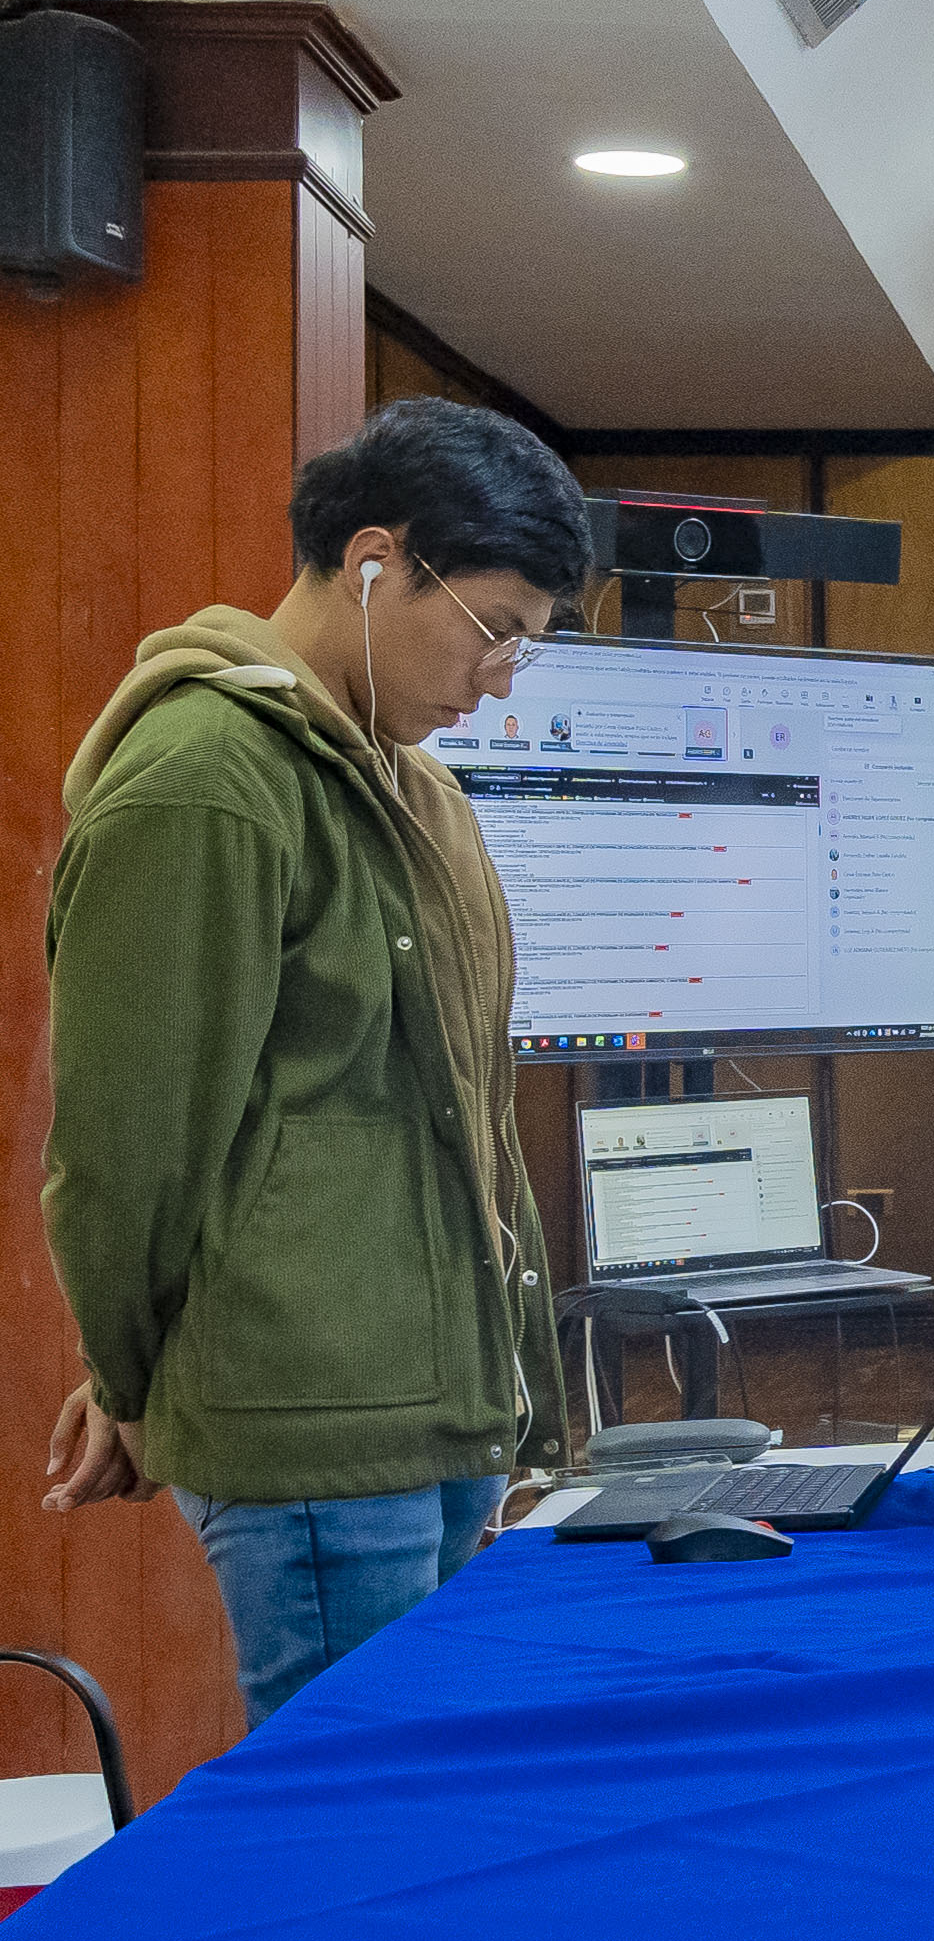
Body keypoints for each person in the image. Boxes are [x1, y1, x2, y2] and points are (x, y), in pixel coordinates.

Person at [38, 399, 588, 1724]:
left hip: (445, 1408)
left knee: (434, 1809)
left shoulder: (416, 788)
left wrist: (527, 1399)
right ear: (376, 560)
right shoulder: (206, 778)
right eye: (495, 627)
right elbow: (127, 1150)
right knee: (364, 1831)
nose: (502, 677)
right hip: (319, 1430)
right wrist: (130, 1379)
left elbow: (466, 1118)